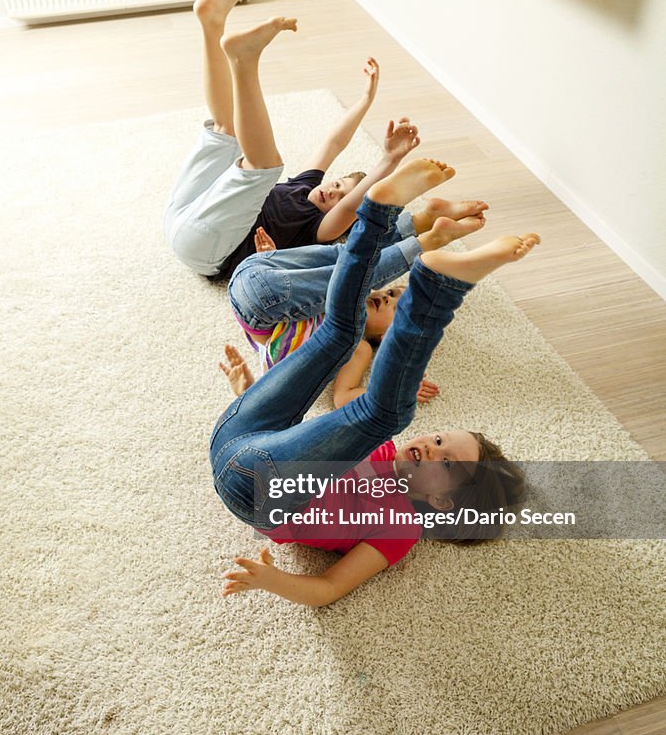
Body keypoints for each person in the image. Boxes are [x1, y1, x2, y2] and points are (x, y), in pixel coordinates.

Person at [210, 157, 538, 607]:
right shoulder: (383, 452)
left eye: (445, 464)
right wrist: (248, 389)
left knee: (386, 413)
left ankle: (442, 287)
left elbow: (327, 590)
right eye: (441, 438)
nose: (430, 446)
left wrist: (271, 580)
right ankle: (378, 210)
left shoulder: (400, 530)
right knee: (341, 332)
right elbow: (305, 437)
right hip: (239, 435)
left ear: (444, 504)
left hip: (257, 491)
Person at [163, 0, 420, 279]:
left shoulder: (317, 229)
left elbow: (354, 204)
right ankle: (211, 21)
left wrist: (389, 160)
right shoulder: (304, 185)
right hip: (184, 212)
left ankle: (245, 61)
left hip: (207, 249)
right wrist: (365, 100)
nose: (332, 193)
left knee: (264, 166)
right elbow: (333, 144)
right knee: (225, 128)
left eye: (338, 198)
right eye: (337, 185)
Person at [220, 196, 488, 407]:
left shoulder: (357, 347)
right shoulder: (347, 300)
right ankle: (421, 222)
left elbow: (343, 397)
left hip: (261, 302)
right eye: (392, 292)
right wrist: (278, 262)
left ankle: (425, 236)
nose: (385, 296)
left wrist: (394, 390)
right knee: (348, 259)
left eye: (395, 305)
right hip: (267, 270)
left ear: (388, 335)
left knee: (353, 275)